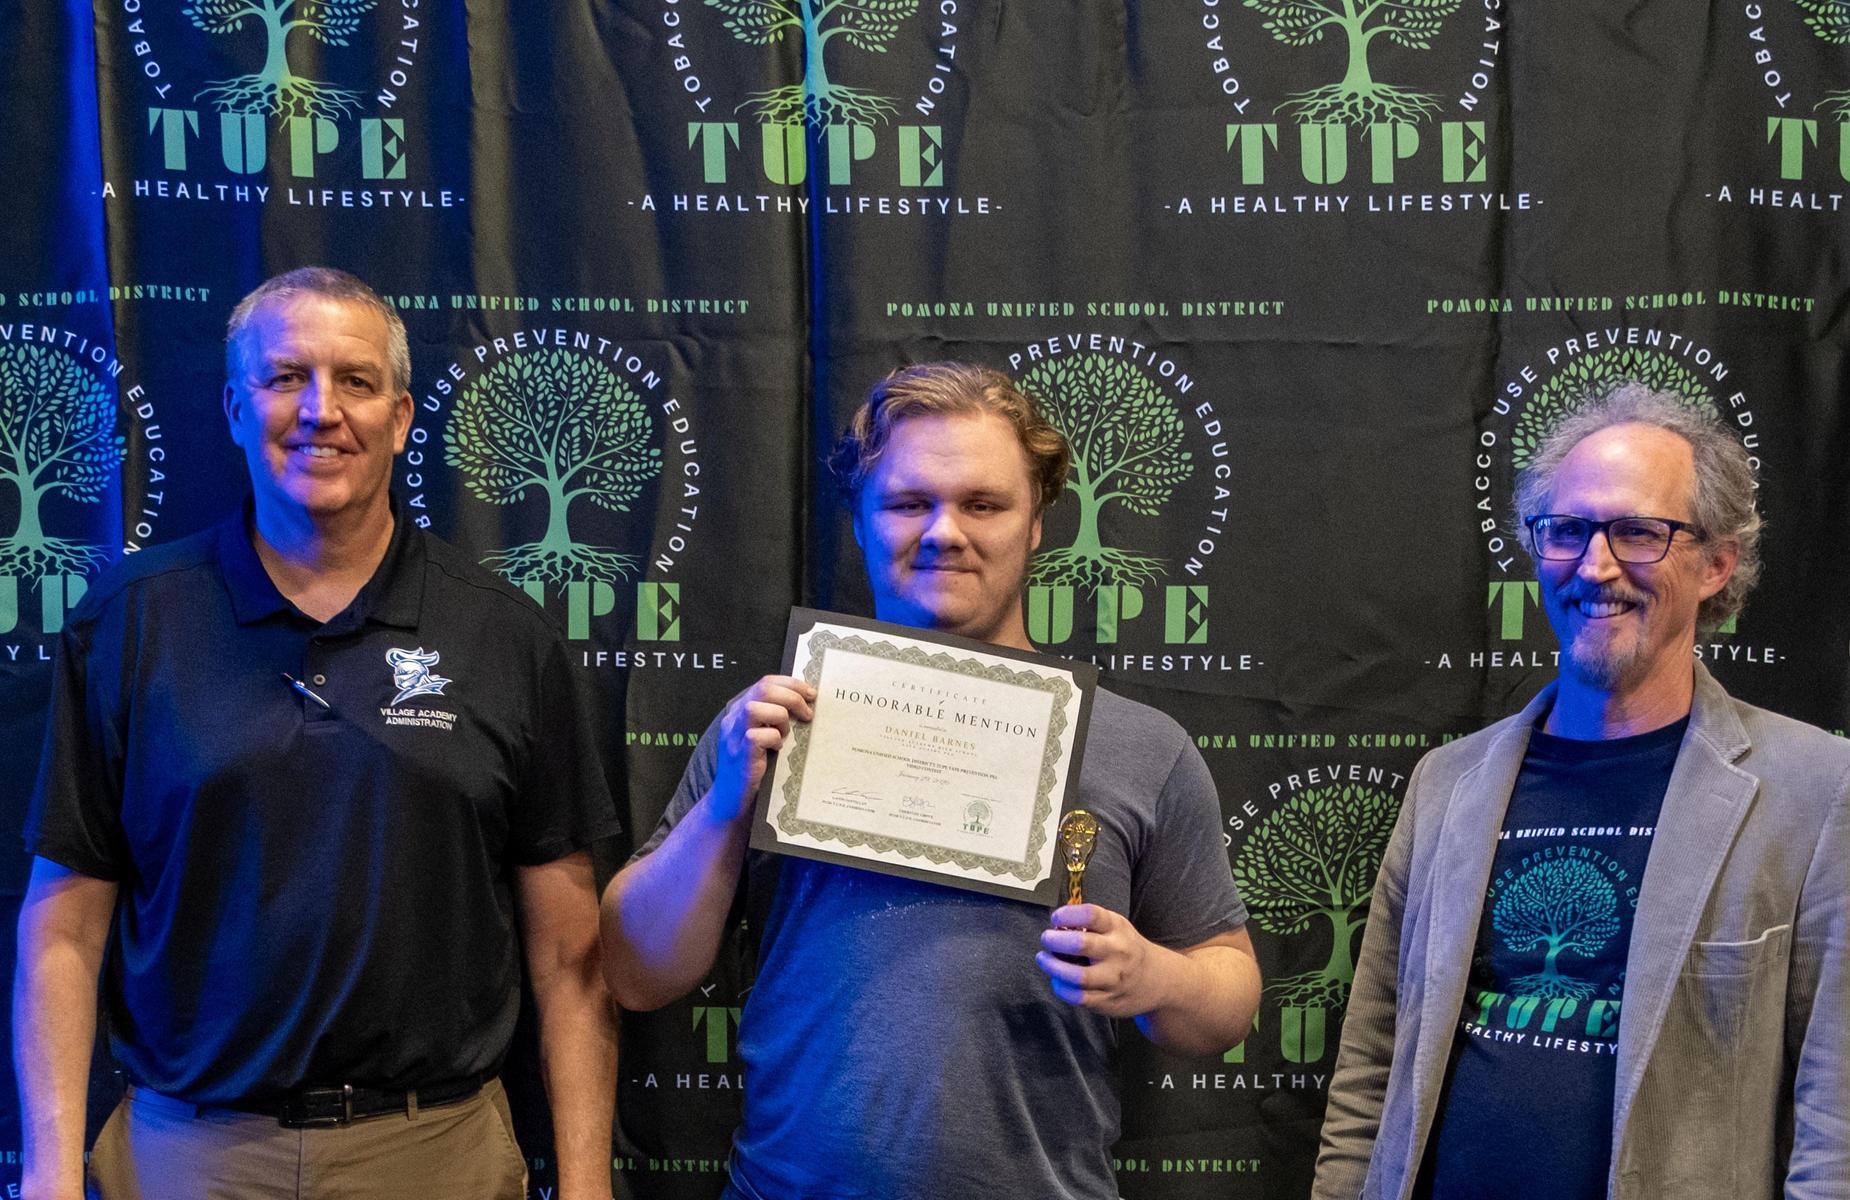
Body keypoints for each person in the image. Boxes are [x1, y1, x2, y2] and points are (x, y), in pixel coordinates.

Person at [15, 268, 620, 1200]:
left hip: (436, 1153)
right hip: (188, 1154)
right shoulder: (129, 622)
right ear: (231, 406)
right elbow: (63, 929)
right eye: (285, 376)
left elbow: (570, 954)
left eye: (357, 381)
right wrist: (49, 1176)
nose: (320, 410)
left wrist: (585, 1188)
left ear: (403, 415)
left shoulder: (505, 634)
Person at [601, 361, 1262, 1200]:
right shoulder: (768, 727)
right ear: (863, 524)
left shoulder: (1145, 748)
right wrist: (726, 806)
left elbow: (1230, 995)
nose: (945, 531)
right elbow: (634, 972)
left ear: (1035, 525)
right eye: (910, 502)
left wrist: (1154, 978)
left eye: (984, 504)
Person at [1314, 385, 1848, 1200]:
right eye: (1567, 531)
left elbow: (1834, 1123)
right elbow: (1370, 1072)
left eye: (1639, 532)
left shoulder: (1813, 790)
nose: (1597, 566)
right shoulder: (1447, 785)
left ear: (1715, 564)